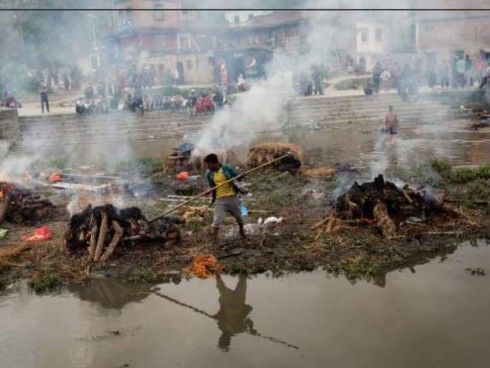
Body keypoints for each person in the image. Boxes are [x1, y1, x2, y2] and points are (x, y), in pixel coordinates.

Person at [204, 153, 245, 244]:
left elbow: (237, 178)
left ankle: (241, 231)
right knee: (217, 220)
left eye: (208, 164)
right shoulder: (209, 173)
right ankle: (214, 240)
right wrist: (209, 191)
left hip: (232, 198)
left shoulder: (227, 168)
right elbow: (211, 186)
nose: (207, 167)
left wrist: (241, 176)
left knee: (239, 218)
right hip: (219, 200)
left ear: (214, 163)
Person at [213, 274, 254, 352]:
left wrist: (217, 317)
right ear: (228, 340)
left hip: (227, 303)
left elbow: (219, 315)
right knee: (242, 282)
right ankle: (243, 269)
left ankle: (216, 273)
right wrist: (252, 329)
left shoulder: (221, 326)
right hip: (239, 303)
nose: (222, 337)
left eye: (221, 339)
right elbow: (248, 321)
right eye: (224, 339)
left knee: (221, 288)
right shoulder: (238, 330)